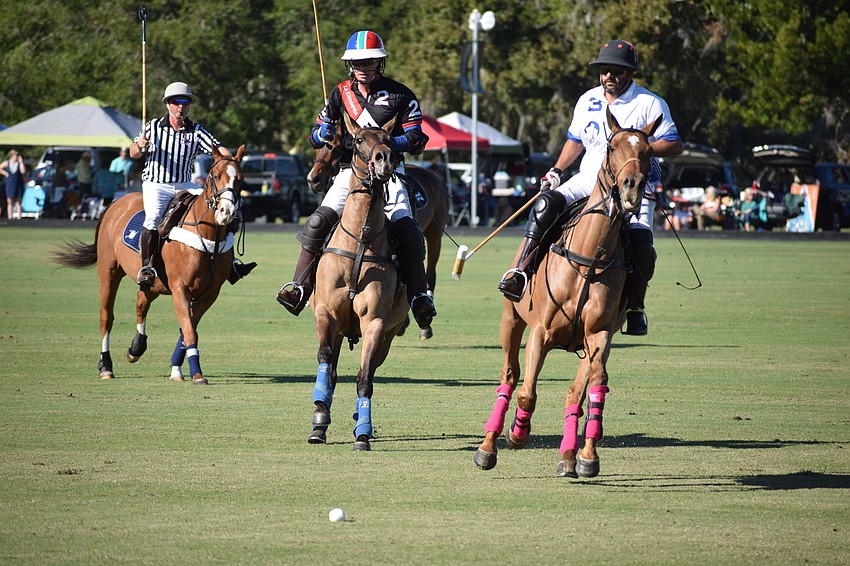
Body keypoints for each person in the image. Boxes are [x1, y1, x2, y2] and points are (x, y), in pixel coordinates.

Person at [496, 39, 683, 336]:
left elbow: (674, 143)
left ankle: (635, 307)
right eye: (604, 69)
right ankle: (521, 271)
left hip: (632, 186)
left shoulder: (650, 103)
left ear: (630, 73)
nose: (609, 75)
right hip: (588, 179)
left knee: (642, 246)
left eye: (617, 70)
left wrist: (643, 148)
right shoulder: (587, 100)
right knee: (545, 206)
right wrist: (557, 170)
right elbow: (575, 140)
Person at [275, 30, 437, 330]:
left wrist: (386, 146)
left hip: (390, 172)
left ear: (380, 63)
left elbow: (417, 138)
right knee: (317, 221)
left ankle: (418, 297)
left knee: (406, 227)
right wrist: (320, 134)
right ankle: (299, 286)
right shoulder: (340, 93)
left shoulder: (401, 95)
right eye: (357, 62)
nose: (363, 67)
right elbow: (315, 134)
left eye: (370, 61)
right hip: (351, 174)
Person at [129, 81, 256, 290]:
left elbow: (217, 148)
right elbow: (134, 151)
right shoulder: (152, 127)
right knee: (153, 218)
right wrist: (139, 146)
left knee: (221, 208)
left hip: (185, 185)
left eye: (185, 102)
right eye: (177, 102)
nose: (181, 106)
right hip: (156, 184)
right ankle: (148, 267)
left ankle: (230, 263)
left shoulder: (196, 131)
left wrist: (230, 160)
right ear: (168, 104)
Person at [0, 149, 26, 220]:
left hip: (18, 184)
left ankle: (19, 217)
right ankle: (10, 217)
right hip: (10, 183)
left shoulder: (19, 163)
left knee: (18, 201)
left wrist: (21, 162)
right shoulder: (7, 163)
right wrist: (5, 173)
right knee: (10, 201)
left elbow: (23, 171)